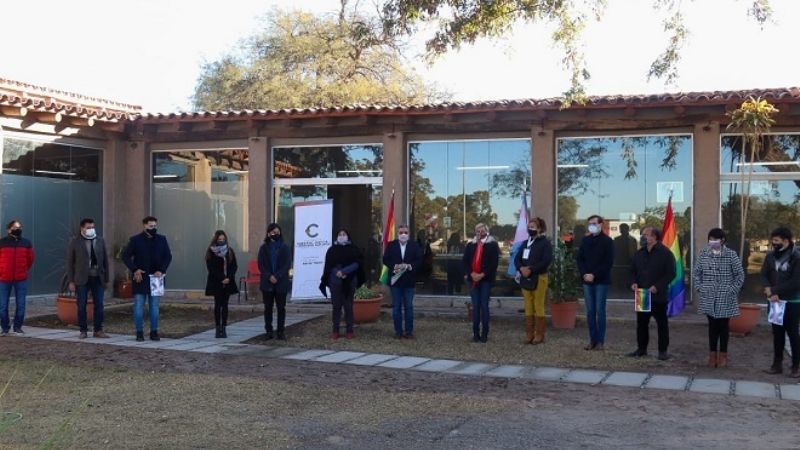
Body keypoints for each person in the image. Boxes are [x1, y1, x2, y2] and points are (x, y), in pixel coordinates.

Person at [692, 228, 744, 368]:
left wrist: (732, 290)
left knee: (723, 326)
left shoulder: (731, 255)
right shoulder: (704, 253)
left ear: (722, 240)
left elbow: (740, 275)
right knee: (712, 326)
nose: (712, 242)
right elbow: (696, 273)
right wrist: (699, 287)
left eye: (715, 239)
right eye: (711, 239)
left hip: (725, 295)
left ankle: (723, 355)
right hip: (708, 295)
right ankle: (712, 355)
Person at [628, 226, 676, 360]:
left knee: (662, 324)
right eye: (643, 234)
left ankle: (662, 351)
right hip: (642, 294)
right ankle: (641, 349)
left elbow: (670, 273)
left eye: (646, 234)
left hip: (658, 295)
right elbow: (632, 271)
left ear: (654, 237)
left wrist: (658, 286)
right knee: (642, 324)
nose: (643, 237)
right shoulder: (639, 253)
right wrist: (633, 282)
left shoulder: (665, 253)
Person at [123, 216, 172, 342]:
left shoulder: (162, 239)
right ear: (144, 226)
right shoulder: (135, 240)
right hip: (140, 278)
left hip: (156, 278)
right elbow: (126, 256)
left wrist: (161, 270)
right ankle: (139, 332)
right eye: (151, 226)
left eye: (155, 226)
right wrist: (135, 269)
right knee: (139, 305)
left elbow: (168, 256)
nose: (153, 228)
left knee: (154, 306)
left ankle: (154, 331)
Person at [760, 227, 800, 377]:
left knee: (793, 333)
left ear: (786, 241)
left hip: (792, 302)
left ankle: (796, 366)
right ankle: (777, 364)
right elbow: (763, 274)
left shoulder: (796, 257)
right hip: (775, 302)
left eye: (776, 241)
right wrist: (769, 289)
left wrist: (775, 291)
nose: (773, 243)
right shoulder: (770, 256)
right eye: (773, 241)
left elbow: (796, 282)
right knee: (777, 333)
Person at [66, 218, 110, 339]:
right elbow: (70, 262)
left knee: (99, 304)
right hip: (82, 278)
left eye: (92, 227)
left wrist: (106, 278)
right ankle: (83, 330)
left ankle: (98, 330)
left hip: (98, 277)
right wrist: (71, 281)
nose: (91, 230)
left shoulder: (100, 240)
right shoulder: (75, 242)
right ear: (82, 228)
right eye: (88, 227)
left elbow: (105, 260)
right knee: (81, 304)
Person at [320, 228, 365, 339]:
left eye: (344, 234)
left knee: (348, 306)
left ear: (348, 236)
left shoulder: (353, 249)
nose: (342, 236)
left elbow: (357, 263)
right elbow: (329, 266)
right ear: (336, 237)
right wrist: (338, 273)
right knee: (336, 306)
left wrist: (345, 272)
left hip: (350, 280)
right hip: (335, 281)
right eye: (340, 234)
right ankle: (335, 330)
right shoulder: (331, 250)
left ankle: (349, 330)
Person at [577, 215, 614, 351]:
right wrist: (585, 274)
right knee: (590, 311)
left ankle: (600, 341)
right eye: (589, 224)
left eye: (593, 223)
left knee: (600, 310)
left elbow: (608, 262)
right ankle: (592, 340)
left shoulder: (608, 241)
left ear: (600, 225)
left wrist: (594, 274)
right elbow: (580, 259)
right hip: (587, 281)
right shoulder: (585, 240)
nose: (591, 226)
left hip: (601, 281)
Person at [514, 217, 552, 345]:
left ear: (540, 229)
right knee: (528, 306)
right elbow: (517, 258)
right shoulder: (525, 243)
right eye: (529, 227)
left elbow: (546, 260)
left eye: (533, 227)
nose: (530, 229)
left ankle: (539, 334)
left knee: (538, 305)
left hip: (539, 277)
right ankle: (529, 334)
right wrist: (521, 268)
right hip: (525, 278)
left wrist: (531, 269)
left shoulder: (545, 243)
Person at [382, 223, 423, 339]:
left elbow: (419, 260)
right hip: (395, 281)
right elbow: (385, 259)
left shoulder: (414, 246)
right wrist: (395, 266)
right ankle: (398, 331)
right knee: (396, 308)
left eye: (405, 232)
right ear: (397, 233)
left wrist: (409, 266)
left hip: (409, 282)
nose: (403, 234)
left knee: (409, 307)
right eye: (401, 232)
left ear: (409, 233)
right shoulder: (391, 245)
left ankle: (409, 332)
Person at [462, 223, 499, 343]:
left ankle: (485, 334)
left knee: (484, 306)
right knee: (475, 306)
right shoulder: (470, 245)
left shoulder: (492, 245)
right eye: (477, 230)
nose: (480, 233)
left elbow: (493, 264)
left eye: (482, 230)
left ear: (486, 231)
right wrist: (471, 273)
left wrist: (482, 275)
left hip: (485, 280)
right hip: (473, 279)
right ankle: (475, 333)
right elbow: (465, 261)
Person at [0, 220, 34, 336]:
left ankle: (17, 327)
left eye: (19, 227)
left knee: (21, 304)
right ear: (9, 230)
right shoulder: (2, 242)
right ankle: (5, 328)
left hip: (21, 279)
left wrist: (23, 270)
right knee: (2, 305)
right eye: (15, 227)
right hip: (4, 279)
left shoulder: (26, 243)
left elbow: (30, 260)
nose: (18, 229)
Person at [258, 223, 291, 340]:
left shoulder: (285, 247)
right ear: (268, 233)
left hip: (281, 283)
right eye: (273, 232)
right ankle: (269, 331)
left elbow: (287, 264)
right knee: (268, 308)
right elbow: (261, 265)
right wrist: (269, 276)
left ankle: (281, 332)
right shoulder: (264, 248)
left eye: (277, 232)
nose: (275, 234)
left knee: (281, 308)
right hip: (267, 283)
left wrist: (277, 276)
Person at [205, 230, 238, 339]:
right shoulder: (211, 252)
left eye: (223, 239)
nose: (221, 241)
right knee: (217, 305)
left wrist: (228, 277)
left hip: (228, 282)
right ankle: (217, 328)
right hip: (216, 282)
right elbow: (211, 268)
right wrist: (222, 278)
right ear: (215, 240)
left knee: (225, 305)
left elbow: (234, 266)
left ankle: (224, 328)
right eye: (219, 239)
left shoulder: (229, 251)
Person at [612, 223, 637, 292]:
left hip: (629, 262)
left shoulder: (632, 240)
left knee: (628, 278)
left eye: (624, 229)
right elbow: (614, 251)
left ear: (628, 229)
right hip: (619, 263)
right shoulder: (616, 240)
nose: (622, 230)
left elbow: (635, 252)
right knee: (619, 279)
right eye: (621, 229)